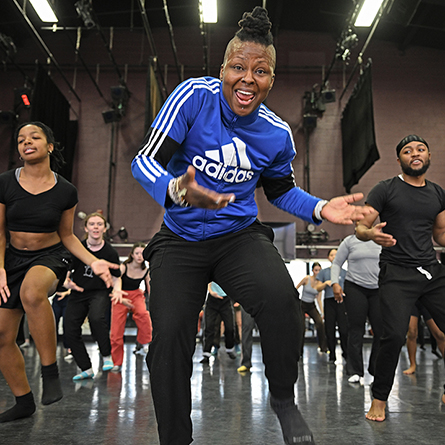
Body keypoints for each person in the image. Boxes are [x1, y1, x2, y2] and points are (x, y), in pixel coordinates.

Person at [131, 7, 370, 445]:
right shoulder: (192, 97)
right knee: (168, 343)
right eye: (238, 67)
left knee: (283, 304)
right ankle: (175, 438)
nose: (247, 79)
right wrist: (180, 191)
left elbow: (280, 193)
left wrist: (320, 209)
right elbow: (144, 160)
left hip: (237, 237)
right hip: (180, 239)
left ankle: (282, 399)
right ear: (223, 69)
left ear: (271, 79)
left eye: (260, 71)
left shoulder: (276, 134)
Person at [0, 121, 117, 423]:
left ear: (49, 145)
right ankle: (24, 401)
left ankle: (50, 372)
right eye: (21, 139)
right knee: (2, 335)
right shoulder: (5, 183)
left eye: (35, 137)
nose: (26, 142)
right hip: (11, 259)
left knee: (32, 292)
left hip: (51, 255)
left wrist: (93, 261)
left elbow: (67, 235)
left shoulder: (66, 190)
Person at [355, 134, 445, 421]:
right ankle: (380, 399)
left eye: (420, 149)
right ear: (400, 160)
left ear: (428, 157)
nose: (414, 154)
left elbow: (440, 234)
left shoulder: (438, 193)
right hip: (396, 273)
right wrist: (371, 234)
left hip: (431, 271)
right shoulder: (386, 189)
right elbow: (361, 227)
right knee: (393, 335)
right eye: (407, 151)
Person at [63, 212, 122, 381]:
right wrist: (67, 282)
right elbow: (67, 272)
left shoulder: (110, 252)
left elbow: (117, 276)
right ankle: (86, 368)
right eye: (92, 224)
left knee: (96, 318)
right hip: (78, 292)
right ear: (86, 228)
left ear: (104, 228)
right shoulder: (78, 248)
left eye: (99, 224)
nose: (95, 227)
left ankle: (106, 356)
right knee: (70, 329)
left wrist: (117, 289)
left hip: (99, 291)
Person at [331, 234, 382, 384]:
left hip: (378, 289)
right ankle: (355, 371)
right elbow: (337, 263)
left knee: (381, 330)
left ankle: (376, 368)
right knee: (355, 329)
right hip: (355, 287)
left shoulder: (381, 239)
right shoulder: (349, 241)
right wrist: (335, 283)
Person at [110, 242, 152, 372]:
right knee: (116, 332)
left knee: (144, 315)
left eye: (142, 253)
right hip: (121, 295)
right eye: (137, 253)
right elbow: (115, 283)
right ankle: (117, 362)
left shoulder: (146, 270)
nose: (140, 256)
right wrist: (122, 299)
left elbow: (150, 288)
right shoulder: (124, 267)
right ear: (132, 255)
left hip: (136, 295)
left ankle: (144, 342)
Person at [315, 249, 347, 363]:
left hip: (342, 302)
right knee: (329, 329)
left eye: (336, 255)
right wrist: (325, 283)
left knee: (344, 329)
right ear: (329, 258)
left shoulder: (344, 272)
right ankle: (332, 354)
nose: (334, 257)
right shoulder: (324, 272)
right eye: (332, 255)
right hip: (329, 302)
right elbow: (317, 288)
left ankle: (346, 352)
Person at [403, 300, 445, 375]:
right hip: (413, 300)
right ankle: (412, 365)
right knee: (412, 332)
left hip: (426, 297)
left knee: (439, 334)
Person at [199, 282, 236, 363]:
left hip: (226, 300)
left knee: (229, 327)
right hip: (212, 300)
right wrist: (211, 291)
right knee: (209, 326)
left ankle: (229, 348)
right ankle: (206, 353)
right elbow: (208, 281)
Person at [295, 262, 328, 354]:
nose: (317, 272)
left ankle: (323, 347)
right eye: (316, 270)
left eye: (319, 270)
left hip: (311, 306)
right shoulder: (307, 279)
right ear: (313, 270)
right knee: (301, 327)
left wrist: (322, 312)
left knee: (320, 323)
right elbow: (296, 288)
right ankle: (299, 350)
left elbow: (319, 299)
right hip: (302, 305)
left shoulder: (320, 284)